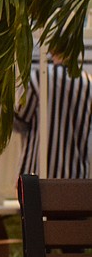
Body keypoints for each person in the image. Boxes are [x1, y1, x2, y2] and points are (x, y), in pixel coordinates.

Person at [15, 46, 92, 178]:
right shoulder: (89, 83)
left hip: (37, 173)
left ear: (51, 49)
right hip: (76, 176)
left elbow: (19, 121)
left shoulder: (39, 78)